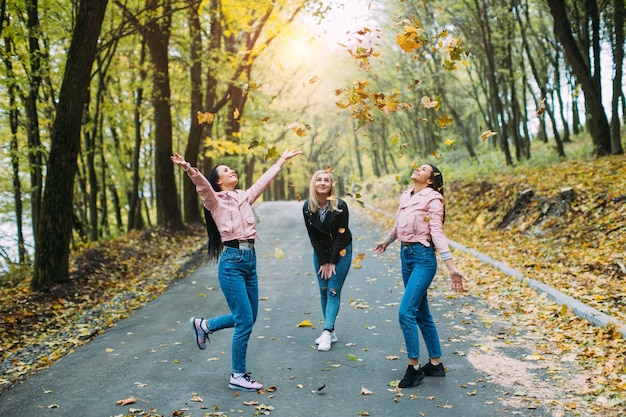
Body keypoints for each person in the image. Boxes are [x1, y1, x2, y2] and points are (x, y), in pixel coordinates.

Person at [171, 149, 302, 392]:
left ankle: (205, 325)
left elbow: (263, 182)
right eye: (225, 171)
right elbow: (202, 186)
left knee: (248, 318)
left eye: (231, 169)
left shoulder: (244, 196)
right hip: (231, 264)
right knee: (244, 321)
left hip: (250, 261)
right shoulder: (214, 200)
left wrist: (281, 161)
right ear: (218, 182)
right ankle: (237, 374)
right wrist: (188, 168)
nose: (232, 171)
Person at [374, 163, 466, 389]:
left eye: (423, 168)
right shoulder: (406, 194)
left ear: (431, 180)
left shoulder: (433, 199)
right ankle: (435, 363)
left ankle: (413, 368)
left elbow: (437, 232)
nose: (416, 168)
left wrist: (451, 267)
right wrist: (387, 241)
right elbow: (399, 223)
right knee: (421, 312)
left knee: (406, 312)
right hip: (406, 256)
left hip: (423, 258)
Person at [303, 170, 352, 351]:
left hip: (341, 251)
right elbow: (313, 237)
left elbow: (341, 236)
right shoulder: (307, 207)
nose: (322, 183)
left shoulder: (340, 206)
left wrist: (331, 262)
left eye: (326, 180)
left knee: (333, 290)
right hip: (321, 253)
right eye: (319, 180)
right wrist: (323, 261)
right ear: (314, 184)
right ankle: (330, 332)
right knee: (323, 289)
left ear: (331, 185)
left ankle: (326, 330)